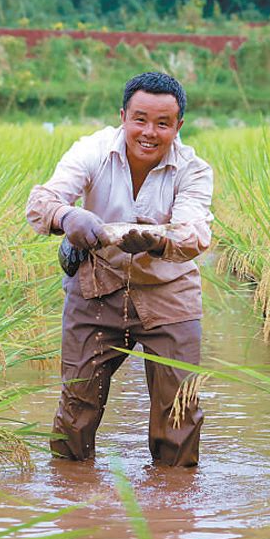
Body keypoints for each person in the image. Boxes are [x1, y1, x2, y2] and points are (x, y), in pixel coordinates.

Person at [26, 72, 213, 467]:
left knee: (179, 411)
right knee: (77, 407)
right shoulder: (92, 150)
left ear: (178, 126)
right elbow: (42, 201)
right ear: (123, 116)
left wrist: (158, 241)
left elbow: (195, 233)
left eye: (163, 124)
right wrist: (67, 217)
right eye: (140, 119)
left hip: (169, 293)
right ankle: (72, 496)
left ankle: (172, 510)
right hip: (97, 286)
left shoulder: (194, 170)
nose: (149, 132)